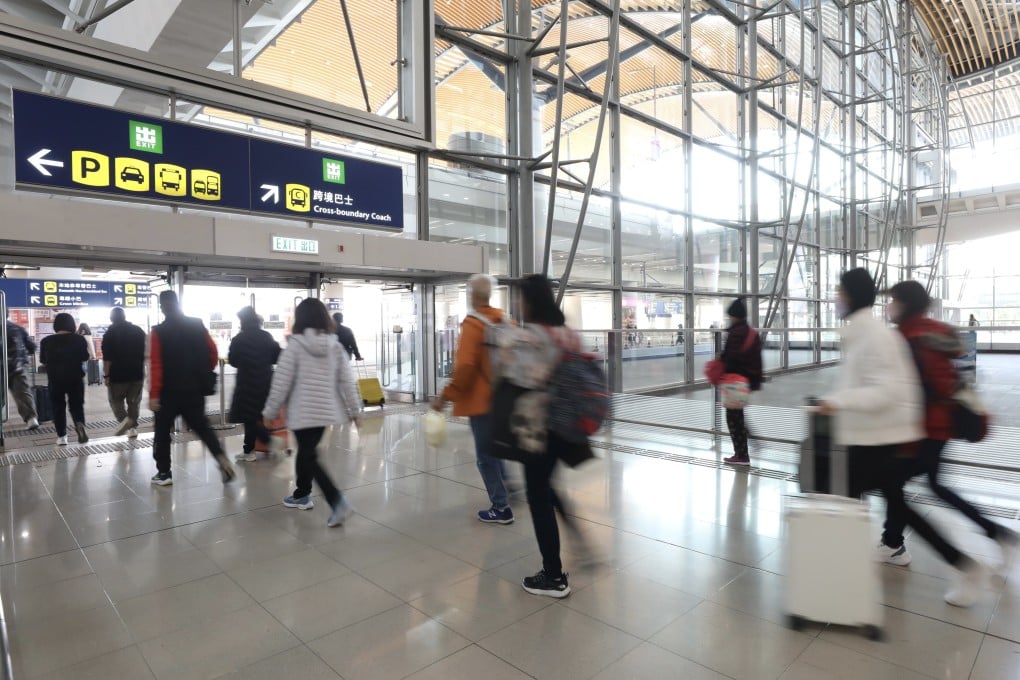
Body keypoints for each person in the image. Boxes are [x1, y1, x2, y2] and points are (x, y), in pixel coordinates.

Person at [818, 268, 984, 607]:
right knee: (891, 502)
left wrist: (837, 402)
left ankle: (841, 578)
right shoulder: (865, 331)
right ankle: (952, 563)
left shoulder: (873, 334)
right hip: (876, 433)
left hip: (878, 436)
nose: (835, 299)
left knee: (848, 494)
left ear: (851, 295)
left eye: (839, 292)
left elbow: (886, 390)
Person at [880, 281, 1017, 570]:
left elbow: (911, 390)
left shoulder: (908, 336)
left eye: (893, 300)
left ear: (905, 304)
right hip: (941, 424)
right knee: (926, 484)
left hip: (924, 427)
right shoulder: (935, 330)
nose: (889, 306)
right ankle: (892, 542)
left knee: (893, 482)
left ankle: (898, 546)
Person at [508, 274, 594, 598]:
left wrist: (507, 354)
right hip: (567, 424)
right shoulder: (568, 334)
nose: (518, 304)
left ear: (530, 301)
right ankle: (580, 541)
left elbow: (520, 377)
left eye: (520, 298)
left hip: (538, 427)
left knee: (538, 497)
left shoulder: (531, 336)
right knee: (547, 486)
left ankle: (554, 576)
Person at [263, 298, 360, 527]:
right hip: (326, 413)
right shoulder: (335, 347)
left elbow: (281, 383)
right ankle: (302, 494)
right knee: (307, 454)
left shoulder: (294, 346)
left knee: (309, 456)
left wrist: (270, 411)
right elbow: (347, 381)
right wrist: (355, 410)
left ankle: (336, 501)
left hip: (302, 413)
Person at [431, 274, 514, 524]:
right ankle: (509, 487)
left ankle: (501, 507)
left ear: (472, 296)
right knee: (496, 448)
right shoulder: (504, 321)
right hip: (505, 397)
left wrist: (445, 396)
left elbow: (465, 366)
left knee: (485, 456)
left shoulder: (473, 325)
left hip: (482, 402)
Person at [148, 290, 235, 486]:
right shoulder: (197, 324)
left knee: (162, 433)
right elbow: (212, 352)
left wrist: (154, 394)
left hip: (167, 393)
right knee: (203, 428)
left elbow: (156, 365)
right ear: (178, 304)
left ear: (162, 307)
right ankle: (221, 457)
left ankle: (164, 473)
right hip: (194, 389)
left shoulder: (158, 332)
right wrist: (203, 371)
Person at [229, 307, 281, 462]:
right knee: (260, 416)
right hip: (265, 382)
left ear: (243, 321)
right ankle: (256, 447)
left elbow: (233, 360)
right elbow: (276, 356)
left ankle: (260, 446)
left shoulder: (239, 339)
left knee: (249, 418)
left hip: (247, 383)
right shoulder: (266, 336)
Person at [720, 298, 763, 465]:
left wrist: (721, 363)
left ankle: (742, 455)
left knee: (733, 418)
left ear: (734, 315)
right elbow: (757, 359)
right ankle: (748, 446)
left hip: (734, 379)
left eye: (730, 316)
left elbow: (730, 357)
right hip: (746, 380)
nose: (729, 318)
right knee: (737, 415)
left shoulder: (736, 333)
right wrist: (756, 381)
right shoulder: (752, 333)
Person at [39, 313, 90, 446]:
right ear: (72, 325)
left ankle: (62, 436)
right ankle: (79, 423)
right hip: (75, 378)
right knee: (76, 405)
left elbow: (43, 360)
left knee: (58, 407)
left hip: (55, 379)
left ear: (56, 325)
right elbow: (85, 357)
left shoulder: (46, 341)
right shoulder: (79, 339)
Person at [102, 307, 146, 438]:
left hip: (118, 375)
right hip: (137, 373)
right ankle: (132, 429)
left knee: (115, 401)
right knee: (134, 402)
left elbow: (107, 359)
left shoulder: (109, 334)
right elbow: (147, 351)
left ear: (111, 319)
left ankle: (126, 421)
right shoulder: (138, 331)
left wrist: (106, 376)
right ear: (124, 316)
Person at [5, 310, 38, 430]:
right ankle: (31, 419)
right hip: (18, 367)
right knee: (22, 393)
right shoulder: (17, 328)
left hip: (5, 367)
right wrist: (23, 358)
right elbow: (32, 347)